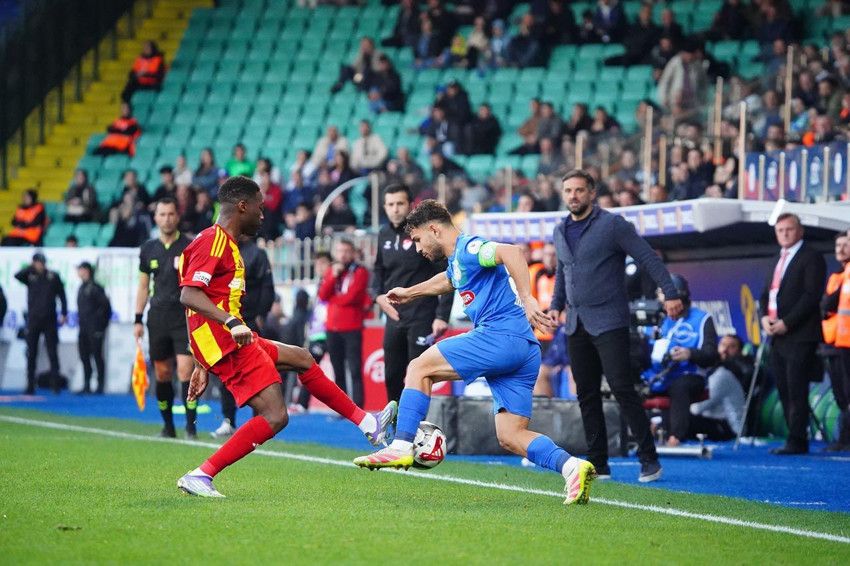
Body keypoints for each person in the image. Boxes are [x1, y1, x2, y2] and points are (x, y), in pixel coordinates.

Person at [353, 200, 596, 505]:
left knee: (418, 367)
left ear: (433, 229)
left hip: (500, 336)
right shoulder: (458, 261)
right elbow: (448, 280)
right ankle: (572, 467)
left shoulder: (469, 248)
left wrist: (528, 298)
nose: (417, 248)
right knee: (511, 435)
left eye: (417, 240)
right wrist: (410, 293)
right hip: (524, 348)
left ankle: (401, 445)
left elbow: (511, 252)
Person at [175, 176, 397, 498]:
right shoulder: (214, 241)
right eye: (260, 207)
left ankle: (368, 424)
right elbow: (189, 295)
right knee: (276, 416)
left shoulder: (222, 243)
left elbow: (197, 303)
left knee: (302, 358)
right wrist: (228, 324)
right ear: (242, 206)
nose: (263, 214)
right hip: (228, 342)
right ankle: (201, 474)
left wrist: (200, 361)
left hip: (229, 338)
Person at [548, 169, 683, 482]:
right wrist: (556, 305)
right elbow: (563, 272)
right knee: (586, 394)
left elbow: (648, 258)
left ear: (592, 193)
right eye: (568, 191)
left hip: (610, 320)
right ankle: (598, 462)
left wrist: (670, 292)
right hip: (575, 323)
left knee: (622, 388)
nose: (573, 196)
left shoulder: (612, 225)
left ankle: (649, 459)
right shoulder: (559, 229)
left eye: (579, 190)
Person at [372, 185, 453, 403]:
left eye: (400, 203)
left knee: (419, 373)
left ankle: (417, 420)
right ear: (384, 207)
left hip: (422, 315)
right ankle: (395, 419)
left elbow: (447, 274)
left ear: (410, 205)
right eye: (390, 204)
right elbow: (378, 269)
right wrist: (377, 296)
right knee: (392, 374)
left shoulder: (422, 233)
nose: (395, 209)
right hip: (394, 315)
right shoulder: (383, 234)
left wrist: (442, 315)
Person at [759, 213, 827, 455]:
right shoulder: (777, 259)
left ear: (800, 231)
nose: (784, 234)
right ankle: (793, 436)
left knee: (797, 387)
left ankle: (798, 440)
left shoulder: (811, 257)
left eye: (789, 229)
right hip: (777, 335)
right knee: (784, 387)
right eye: (780, 230)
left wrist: (787, 322)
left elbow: (811, 296)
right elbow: (766, 295)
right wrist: (764, 318)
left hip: (800, 335)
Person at [135, 198, 195, 439]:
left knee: (185, 371)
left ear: (177, 217)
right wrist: (137, 319)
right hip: (158, 318)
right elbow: (143, 286)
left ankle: (191, 427)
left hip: (183, 318)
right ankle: (168, 426)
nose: (167, 219)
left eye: (171, 214)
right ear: (156, 218)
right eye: (162, 214)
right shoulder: (148, 249)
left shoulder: (189, 246)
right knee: (162, 374)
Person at [642, 274, 718, 447]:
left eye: (663, 294)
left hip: (689, 375)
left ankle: (676, 437)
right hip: (657, 374)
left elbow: (711, 355)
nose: (660, 300)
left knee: (680, 386)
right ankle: (631, 435)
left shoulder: (702, 319)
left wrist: (690, 354)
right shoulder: (656, 319)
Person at [211, 236, 276, 439]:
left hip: (249, 321)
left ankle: (259, 419)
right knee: (227, 371)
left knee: (256, 371)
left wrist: (261, 314)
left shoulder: (257, 253)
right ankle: (228, 420)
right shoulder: (220, 250)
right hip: (226, 321)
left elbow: (267, 287)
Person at [317, 239, 370, 406]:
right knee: (337, 370)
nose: (343, 255)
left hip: (352, 327)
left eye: (347, 251)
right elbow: (322, 295)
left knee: (354, 369)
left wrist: (334, 300)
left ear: (353, 253)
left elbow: (353, 297)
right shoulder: (331, 270)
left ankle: (359, 407)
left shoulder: (360, 271)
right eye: (340, 251)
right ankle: (342, 407)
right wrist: (333, 276)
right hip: (332, 328)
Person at [15, 252, 67, 394]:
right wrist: (30, 268)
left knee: (52, 352)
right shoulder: (30, 276)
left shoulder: (53, 276)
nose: (40, 265)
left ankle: (55, 384)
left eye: (41, 262)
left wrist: (64, 313)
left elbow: (62, 295)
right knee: (31, 353)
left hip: (49, 319)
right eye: (37, 263)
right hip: (34, 319)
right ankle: (30, 385)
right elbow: (17, 275)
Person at [821, 233, 850, 451]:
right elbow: (825, 305)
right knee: (840, 393)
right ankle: (844, 438)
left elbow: (830, 303)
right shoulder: (836, 276)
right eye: (838, 245)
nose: (841, 249)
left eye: (846, 244)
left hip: (845, 342)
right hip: (834, 341)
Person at [690, 334, 748, 441]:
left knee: (683, 418)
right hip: (717, 421)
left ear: (740, 352)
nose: (725, 350)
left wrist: (684, 408)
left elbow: (708, 403)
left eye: (732, 346)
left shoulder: (725, 373)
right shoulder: (714, 370)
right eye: (723, 345)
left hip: (731, 428)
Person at [75, 261, 112, 395]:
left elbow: (106, 307)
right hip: (83, 327)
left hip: (95, 328)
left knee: (97, 355)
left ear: (86, 271)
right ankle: (87, 384)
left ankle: (100, 385)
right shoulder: (81, 287)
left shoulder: (96, 288)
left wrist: (100, 326)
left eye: (81, 269)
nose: (79, 272)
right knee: (84, 356)